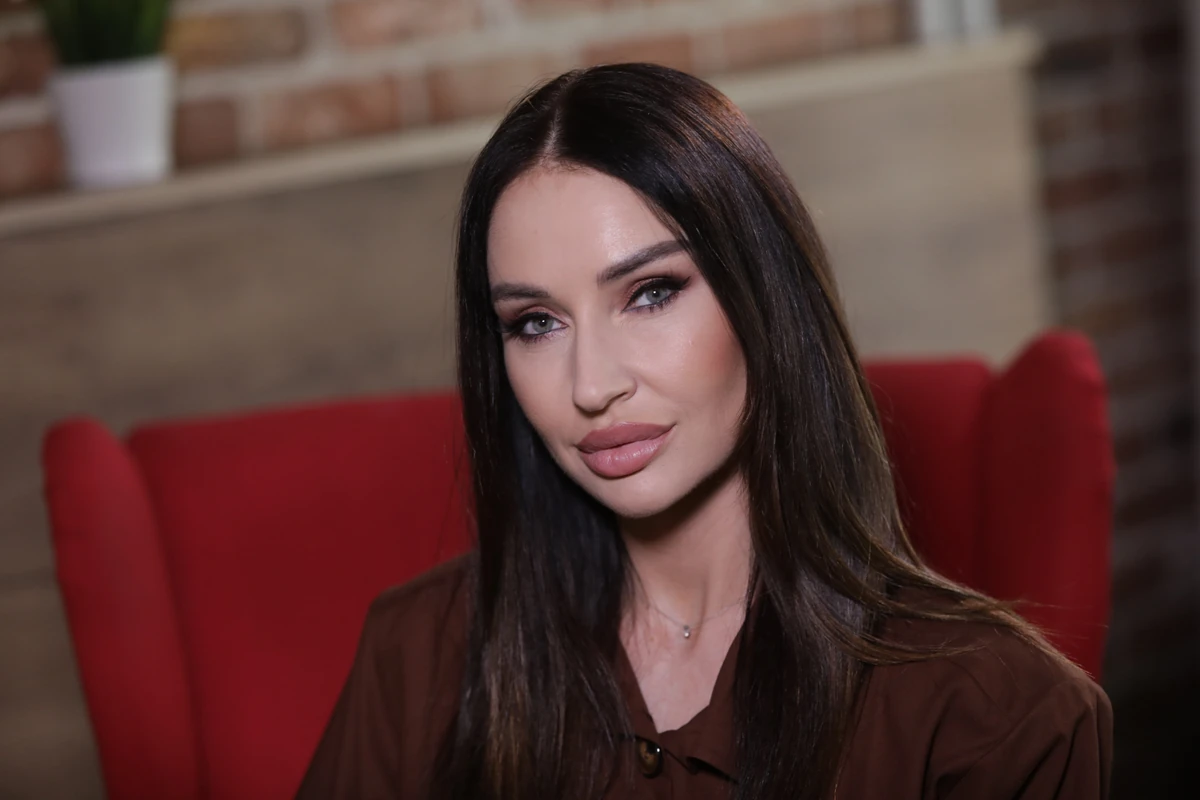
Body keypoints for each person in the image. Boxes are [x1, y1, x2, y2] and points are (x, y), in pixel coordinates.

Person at [296, 62, 1112, 800]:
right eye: (536, 322)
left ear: (765, 296)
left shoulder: (999, 717)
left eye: (650, 292)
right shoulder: (418, 654)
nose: (591, 386)